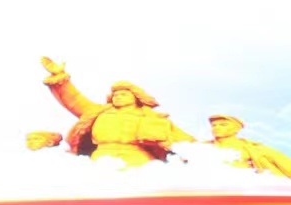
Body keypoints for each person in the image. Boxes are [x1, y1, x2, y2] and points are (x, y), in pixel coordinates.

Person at [38, 57, 195, 165]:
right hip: (102, 158)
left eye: (124, 94)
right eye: (116, 95)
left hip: (138, 160)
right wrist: (60, 76)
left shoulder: (152, 118)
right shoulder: (98, 113)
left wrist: (207, 150)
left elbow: (183, 140)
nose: (118, 97)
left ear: (136, 97)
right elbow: (74, 100)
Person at [205, 115, 291, 178]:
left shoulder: (256, 149)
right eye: (214, 125)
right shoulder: (203, 148)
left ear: (236, 129)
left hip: (249, 192)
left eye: (223, 125)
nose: (216, 128)